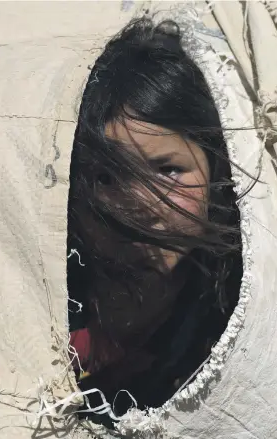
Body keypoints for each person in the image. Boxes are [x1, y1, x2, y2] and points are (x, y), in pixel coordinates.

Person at [67, 16, 243, 419]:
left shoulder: (223, 301)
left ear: (215, 171)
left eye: (168, 170)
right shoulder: (60, 293)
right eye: (106, 177)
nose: (142, 206)